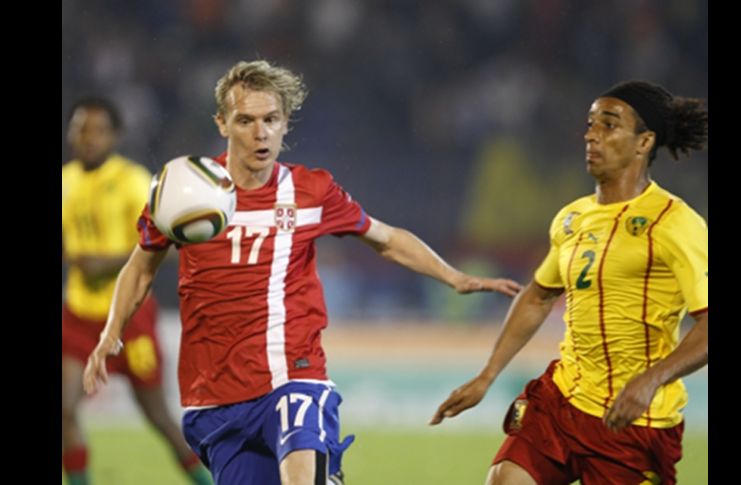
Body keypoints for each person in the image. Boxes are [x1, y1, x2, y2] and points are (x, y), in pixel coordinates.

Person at [82, 60, 522, 485]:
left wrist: (455, 278)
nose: (261, 133)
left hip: (294, 374)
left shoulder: (311, 191)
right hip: (215, 394)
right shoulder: (184, 191)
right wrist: (110, 334)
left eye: (271, 119)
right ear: (221, 123)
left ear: (286, 123)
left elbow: (385, 239)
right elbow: (140, 268)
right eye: (246, 120)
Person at [431, 80, 708, 485]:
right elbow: (539, 296)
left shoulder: (675, 223)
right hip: (561, 401)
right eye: (591, 123)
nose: (591, 134)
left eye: (609, 124)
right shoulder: (571, 217)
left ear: (643, 141)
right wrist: (487, 375)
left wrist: (651, 379)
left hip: (632, 421)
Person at [62, 97, 213, 485]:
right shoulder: (65, 182)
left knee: (160, 419)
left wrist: (105, 263)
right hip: (78, 315)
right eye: (81, 129)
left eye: (97, 130)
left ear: (115, 136)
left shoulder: (133, 181)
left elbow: (167, 245)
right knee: (63, 409)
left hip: (132, 318)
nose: (88, 138)